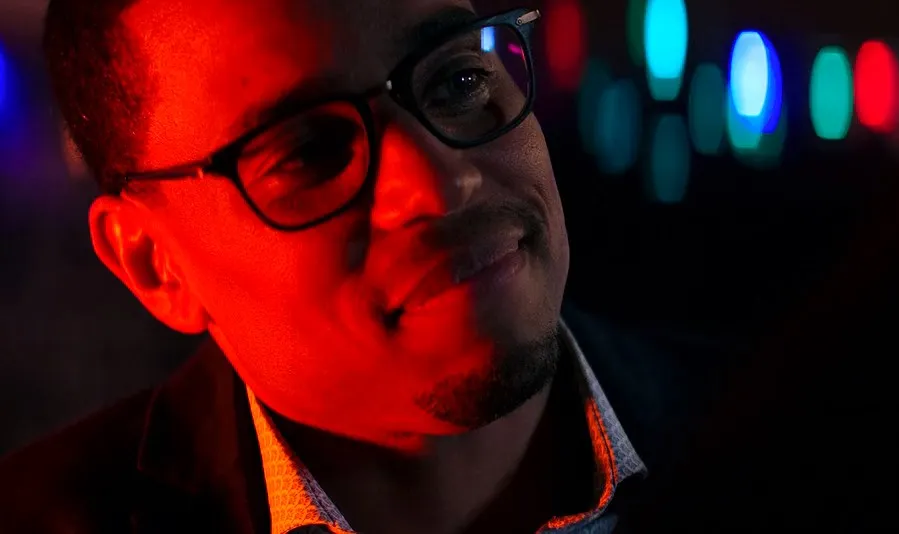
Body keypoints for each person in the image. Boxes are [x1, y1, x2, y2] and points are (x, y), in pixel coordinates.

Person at [0, 0, 731, 532]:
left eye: (459, 81)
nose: (443, 183)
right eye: (308, 152)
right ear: (154, 264)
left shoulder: (776, 434)